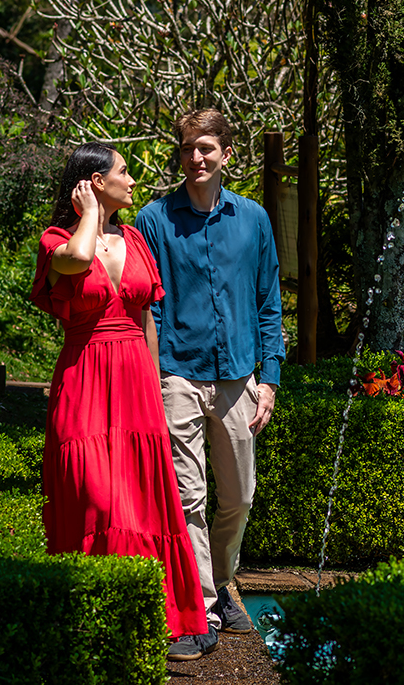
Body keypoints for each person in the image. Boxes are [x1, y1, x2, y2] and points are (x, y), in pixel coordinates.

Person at [29, 142, 210, 659]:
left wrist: (155, 390)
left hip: (134, 377)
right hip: (84, 375)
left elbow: (149, 321)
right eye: (124, 172)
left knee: (143, 500)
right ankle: (91, 612)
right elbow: (79, 258)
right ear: (93, 182)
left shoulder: (135, 238)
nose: (133, 181)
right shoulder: (56, 240)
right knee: (96, 496)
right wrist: (88, 214)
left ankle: (158, 618)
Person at [136, 109, 285, 658]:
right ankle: (197, 610)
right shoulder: (154, 219)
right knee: (188, 496)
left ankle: (222, 582)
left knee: (239, 497)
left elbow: (269, 304)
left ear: (226, 153)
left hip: (239, 378)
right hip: (176, 373)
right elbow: (145, 301)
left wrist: (268, 380)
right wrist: (151, 375)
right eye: (186, 149)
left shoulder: (254, 220)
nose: (195, 158)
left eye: (205, 148)